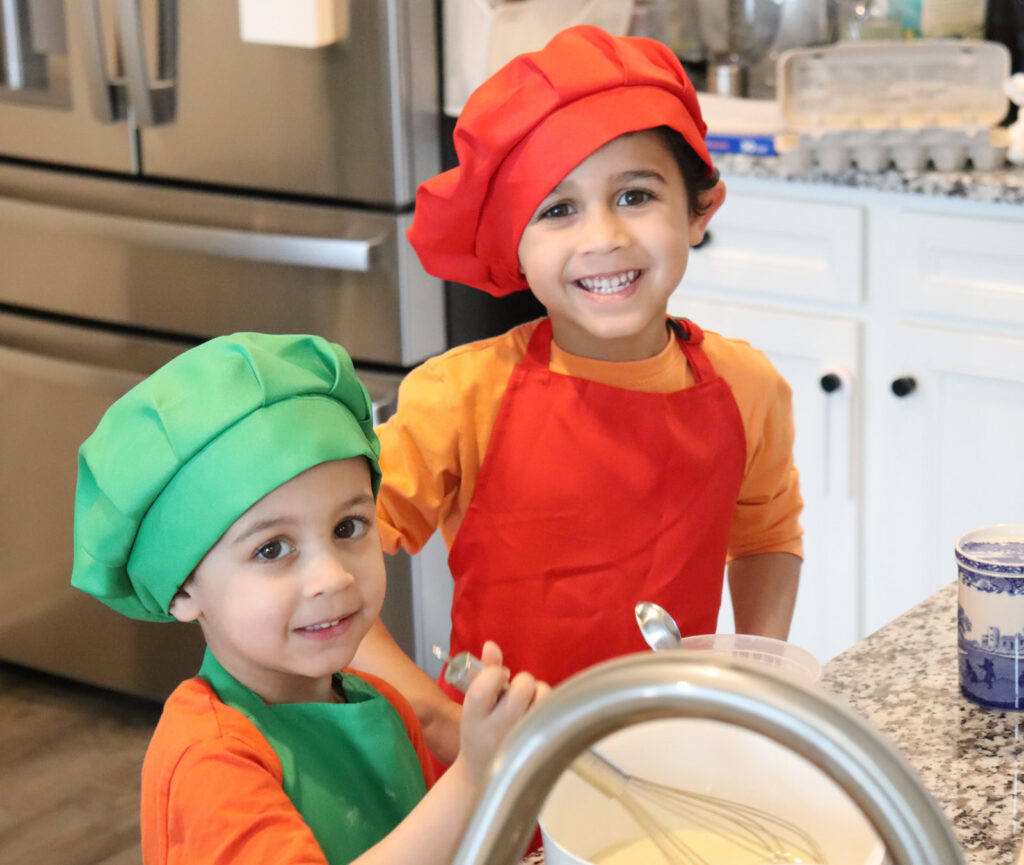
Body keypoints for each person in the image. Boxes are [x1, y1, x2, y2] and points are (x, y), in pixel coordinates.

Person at [353, 24, 804, 766]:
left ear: (698, 210)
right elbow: (333, 565)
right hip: (497, 771)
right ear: (511, 243)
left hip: (672, 755)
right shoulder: (460, 396)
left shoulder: (747, 388)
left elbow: (766, 535)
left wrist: (752, 671)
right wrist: (433, 714)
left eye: (634, 194)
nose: (602, 237)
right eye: (557, 209)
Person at [71, 333, 546, 865]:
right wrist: (475, 776)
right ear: (182, 590)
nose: (332, 577)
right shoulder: (211, 757)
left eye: (349, 526)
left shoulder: (383, 707)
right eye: (272, 548)